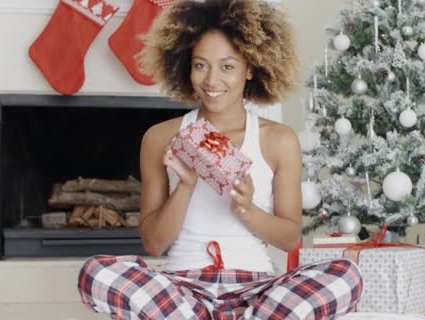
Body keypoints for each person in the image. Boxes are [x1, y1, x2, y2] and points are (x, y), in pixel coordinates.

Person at [78, 0, 363, 319]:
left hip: (255, 291)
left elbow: (290, 238)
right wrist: (185, 186)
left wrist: (247, 208)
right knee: (96, 273)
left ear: (250, 67)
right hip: (182, 290)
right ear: (186, 66)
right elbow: (154, 245)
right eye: (201, 65)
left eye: (227, 66)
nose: (212, 81)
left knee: (346, 275)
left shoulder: (278, 140)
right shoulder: (159, 138)